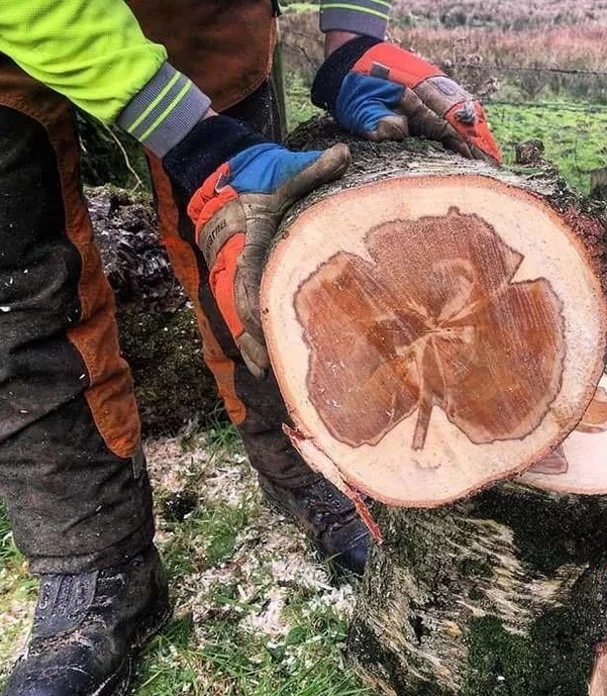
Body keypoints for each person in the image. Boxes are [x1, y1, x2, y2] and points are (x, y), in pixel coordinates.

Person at [0, 1, 501, 694]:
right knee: (18, 292)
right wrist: (192, 138)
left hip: (205, 15)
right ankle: (89, 561)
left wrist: (354, 35)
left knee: (255, 257)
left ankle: (301, 470)